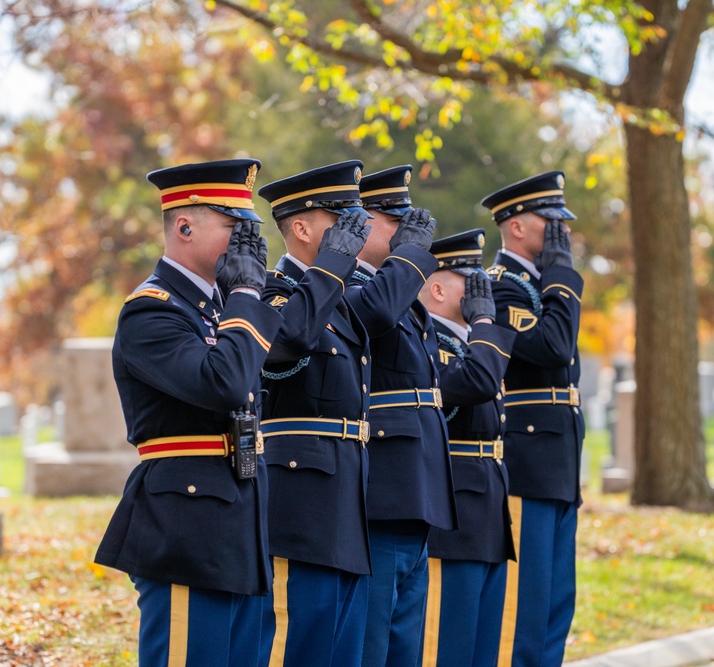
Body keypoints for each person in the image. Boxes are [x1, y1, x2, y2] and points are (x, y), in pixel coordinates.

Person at [94, 158, 283, 667]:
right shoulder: (151, 310)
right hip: (187, 524)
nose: (249, 242)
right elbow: (222, 382)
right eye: (233, 227)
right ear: (184, 226)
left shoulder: (220, 308)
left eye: (251, 229)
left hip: (242, 517)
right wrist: (245, 291)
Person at [254, 161, 374, 666]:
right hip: (302, 491)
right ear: (301, 229)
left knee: (341, 646)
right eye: (340, 220)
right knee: (304, 638)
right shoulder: (271, 291)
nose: (356, 231)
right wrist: (332, 267)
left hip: (346, 483)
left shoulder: (339, 297)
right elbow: (287, 339)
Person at [352, 165, 459, 667]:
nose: (407, 232)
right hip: (383, 490)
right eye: (393, 220)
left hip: (416, 487)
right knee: (373, 642)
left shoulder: (398, 291)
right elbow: (372, 315)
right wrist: (413, 258)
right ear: (360, 222)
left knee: (404, 645)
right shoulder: (348, 284)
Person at [480, 170, 585, 666]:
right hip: (526, 464)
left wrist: (557, 279)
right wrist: (563, 276)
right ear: (517, 226)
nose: (560, 233)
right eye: (551, 222)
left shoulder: (539, 287)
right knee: (525, 607)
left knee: (554, 604)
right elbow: (551, 347)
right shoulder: (501, 288)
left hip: (557, 462)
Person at [418, 229, 517, 667]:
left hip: (487, 507)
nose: (483, 293)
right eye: (469, 280)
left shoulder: (467, 343)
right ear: (437, 289)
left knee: (484, 646)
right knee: (446, 644)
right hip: (454, 516)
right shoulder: (430, 344)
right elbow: (476, 383)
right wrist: (482, 323)